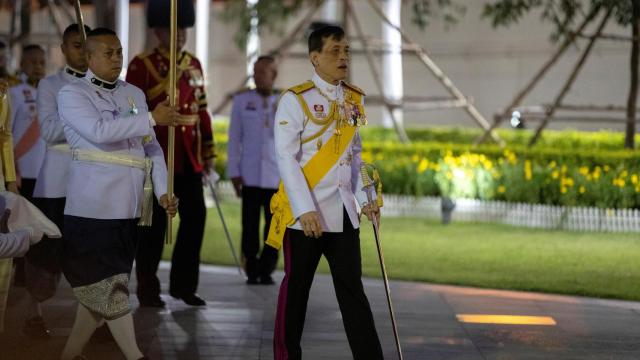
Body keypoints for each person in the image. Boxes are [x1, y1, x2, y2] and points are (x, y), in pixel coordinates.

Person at [57, 28, 178, 360]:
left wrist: (165, 192)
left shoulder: (134, 95)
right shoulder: (72, 94)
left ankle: (68, 355)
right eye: (108, 53)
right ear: (89, 57)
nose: (116, 58)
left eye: (119, 52)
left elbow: (152, 148)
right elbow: (100, 132)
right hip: (93, 208)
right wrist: (153, 118)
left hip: (129, 208)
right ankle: (135, 356)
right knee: (110, 290)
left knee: (105, 292)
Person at [269, 25, 384, 359]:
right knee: (296, 293)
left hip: (344, 214)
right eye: (335, 51)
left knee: (353, 294)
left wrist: (366, 199)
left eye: (346, 50)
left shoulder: (353, 99)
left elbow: (355, 154)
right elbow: (285, 158)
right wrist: (305, 209)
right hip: (305, 217)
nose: (343, 57)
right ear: (315, 58)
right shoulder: (296, 100)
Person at [126, 0, 214, 307]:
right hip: (157, 153)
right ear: (158, 31)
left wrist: (209, 150)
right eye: (170, 29)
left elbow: (202, 111)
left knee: (195, 220)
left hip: (188, 155)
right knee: (152, 225)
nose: (178, 36)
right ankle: (147, 288)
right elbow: (132, 110)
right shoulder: (142, 64)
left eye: (182, 30)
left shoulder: (194, 65)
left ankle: (184, 286)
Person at [18, 24, 91, 340]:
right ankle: (34, 312)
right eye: (76, 45)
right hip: (56, 183)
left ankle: (95, 320)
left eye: (88, 46)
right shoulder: (49, 86)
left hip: (92, 183)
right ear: (63, 48)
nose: (82, 52)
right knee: (45, 253)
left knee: (90, 253)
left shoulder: (106, 85)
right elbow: (48, 131)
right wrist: (88, 121)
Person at [227, 56, 280, 285]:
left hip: (276, 176)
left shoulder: (284, 101)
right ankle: (251, 266)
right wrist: (234, 171)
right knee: (249, 225)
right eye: (256, 72)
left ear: (273, 75)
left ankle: (267, 268)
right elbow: (234, 138)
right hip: (249, 174)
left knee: (274, 225)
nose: (258, 76)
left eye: (263, 72)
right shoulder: (242, 101)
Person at [10, 44, 46, 202]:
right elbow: (5, 132)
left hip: (45, 172)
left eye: (42, 63)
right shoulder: (14, 92)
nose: (38, 66)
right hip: (22, 171)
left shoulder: (50, 93)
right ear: (22, 64)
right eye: (33, 62)